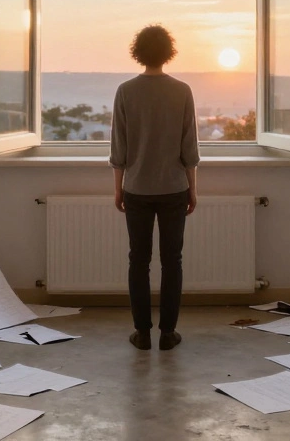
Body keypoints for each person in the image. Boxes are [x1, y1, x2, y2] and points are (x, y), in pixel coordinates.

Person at [110, 25, 200, 351]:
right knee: (172, 260)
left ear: (138, 52)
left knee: (139, 260)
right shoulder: (182, 90)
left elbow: (119, 148)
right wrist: (192, 189)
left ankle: (142, 333)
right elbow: (189, 148)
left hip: (136, 188)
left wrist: (118, 189)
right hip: (174, 187)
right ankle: (168, 333)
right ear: (168, 52)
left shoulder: (125, 91)